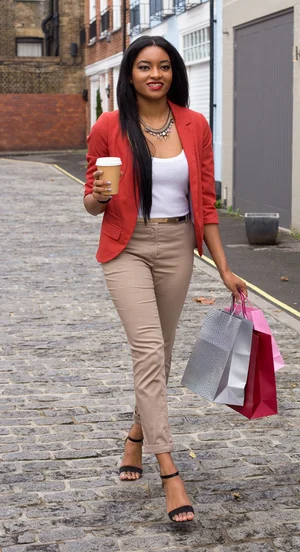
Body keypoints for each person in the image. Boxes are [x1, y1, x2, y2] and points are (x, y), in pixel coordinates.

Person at [83, 35, 247, 523]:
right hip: (126, 247)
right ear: (129, 74)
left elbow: (206, 203)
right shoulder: (109, 126)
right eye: (143, 66)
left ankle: (135, 436)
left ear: (173, 72)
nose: (155, 74)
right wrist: (97, 195)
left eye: (163, 66)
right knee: (149, 351)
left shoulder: (195, 125)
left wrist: (223, 267)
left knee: (162, 354)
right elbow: (92, 202)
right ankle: (170, 471)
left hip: (178, 247)